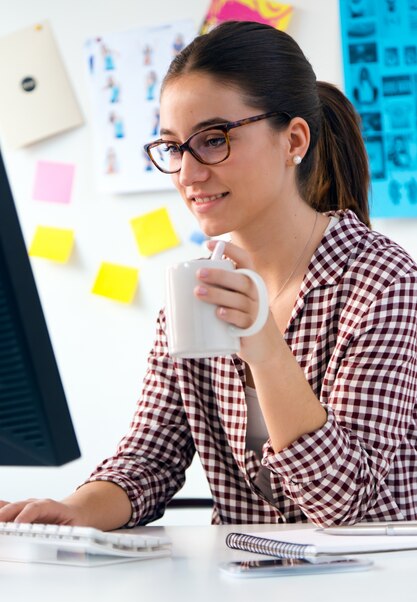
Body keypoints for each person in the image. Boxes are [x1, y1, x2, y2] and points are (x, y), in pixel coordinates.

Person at [1, 21, 417, 530]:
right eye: (174, 147)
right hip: (242, 588)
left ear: (293, 141)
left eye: (214, 140)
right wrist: (73, 511)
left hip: (371, 596)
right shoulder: (198, 286)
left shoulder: (385, 282)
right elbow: (147, 462)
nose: (187, 173)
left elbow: (347, 507)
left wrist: (265, 344)